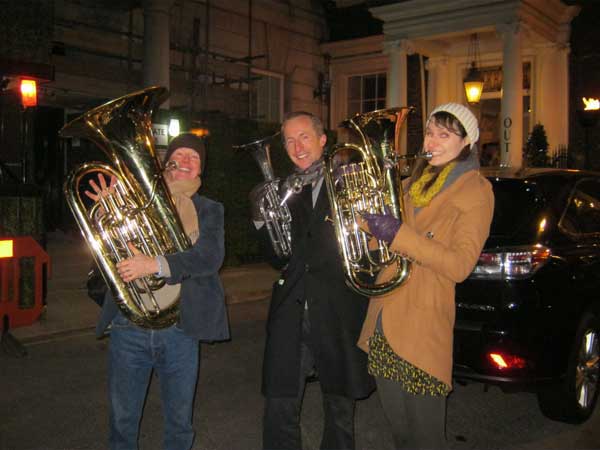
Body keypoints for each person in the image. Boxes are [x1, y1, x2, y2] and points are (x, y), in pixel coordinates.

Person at [357, 103, 494, 449]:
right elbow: (384, 244)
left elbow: (460, 265)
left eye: (444, 134)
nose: (432, 141)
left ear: (466, 142)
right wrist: (362, 215)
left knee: (426, 439)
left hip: (422, 325)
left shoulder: (475, 190)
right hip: (384, 321)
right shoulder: (410, 183)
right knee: (401, 436)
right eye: (431, 132)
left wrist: (397, 232)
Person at [86, 133, 230, 450]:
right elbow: (108, 255)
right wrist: (109, 209)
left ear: (200, 169)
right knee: (122, 423)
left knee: (179, 425)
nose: (186, 161)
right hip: (129, 325)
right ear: (167, 163)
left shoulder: (209, 209)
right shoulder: (136, 202)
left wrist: (156, 264)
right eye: (179, 154)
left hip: (180, 328)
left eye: (194, 157)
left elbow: (209, 258)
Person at [255, 111, 375, 450]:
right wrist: (263, 224)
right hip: (290, 310)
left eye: (304, 136)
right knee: (279, 406)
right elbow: (277, 258)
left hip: (338, 307)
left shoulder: (349, 183)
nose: (297, 146)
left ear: (323, 141)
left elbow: (370, 250)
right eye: (290, 140)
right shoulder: (277, 191)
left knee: (339, 408)